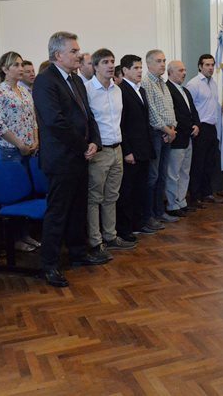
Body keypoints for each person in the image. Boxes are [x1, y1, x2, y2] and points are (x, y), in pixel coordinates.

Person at [32, 31, 104, 288]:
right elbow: (55, 122)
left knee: (78, 208)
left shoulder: (75, 80)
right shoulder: (45, 81)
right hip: (62, 158)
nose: (80, 54)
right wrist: (83, 145)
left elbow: (88, 115)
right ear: (57, 54)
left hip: (80, 155)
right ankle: (49, 264)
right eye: (74, 51)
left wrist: (94, 140)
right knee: (58, 212)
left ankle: (78, 253)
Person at [0, 51, 40, 252]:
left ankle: (25, 234)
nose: (20, 68)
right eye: (16, 65)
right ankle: (15, 239)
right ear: (4, 69)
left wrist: (35, 140)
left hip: (29, 148)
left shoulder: (25, 91)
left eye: (21, 64)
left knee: (28, 193)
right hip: (10, 150)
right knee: (14, 195)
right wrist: (19, 144)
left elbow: (33, 119)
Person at [84, 49, 133, 252]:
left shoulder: (117, 89)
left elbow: (120, 122)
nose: (111, 65)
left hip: (117, 148)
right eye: (105, 62)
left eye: (112, 61)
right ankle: (95, 241)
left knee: (112, 195)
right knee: (95, 197)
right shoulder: (87, 90)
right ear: (95, 66)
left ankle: (110, 236)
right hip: (100, 150)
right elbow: (86, 122)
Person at [116, 55, 155, 240]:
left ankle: (139, 223)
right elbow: (122, 125)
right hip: (131, 150)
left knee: (141, 188)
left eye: (141, 67)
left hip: (144, 148)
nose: (140, 71)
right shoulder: (121, 91)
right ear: (125, 71)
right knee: (128, 191)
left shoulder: (142, 91)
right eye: (136, 68)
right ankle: (126, 228)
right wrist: (127, 151)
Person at [142, 49, 179, 225]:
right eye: (158, 61)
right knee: (153, 176)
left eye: (164, 60)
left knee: (163, 176)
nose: (163, 64)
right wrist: (166, 130)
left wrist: (172, 128)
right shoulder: (146, 83)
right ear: (148, 64)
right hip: (156, 134)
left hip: (167, 133)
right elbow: (152, 113)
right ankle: (149, 215)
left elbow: (170, 109)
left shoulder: (163, 83)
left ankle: (159, 212)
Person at [185, 54, 221, 205]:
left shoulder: (213, 83)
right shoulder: (194, 84)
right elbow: (189, 108)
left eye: (212, 65)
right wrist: (195, 126)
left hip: (212, 128)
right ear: (200, 66)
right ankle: (195, 196)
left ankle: (207, 193)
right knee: (197, 164)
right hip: (200, 128)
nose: (211, 68)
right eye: (207, 65)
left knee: (209, 163)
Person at [165, 60, 200, 217]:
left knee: (185, 172)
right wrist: (186, 128)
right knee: (173, 173)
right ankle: (172, 205)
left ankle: (181, 201)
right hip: (177, 138)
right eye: (180, 70)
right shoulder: (167, 90)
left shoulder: (185, 91)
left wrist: (197, 125)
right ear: (170, 72)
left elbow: (193, 111)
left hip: (189, 138)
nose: (184, 73)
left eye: (185, 70)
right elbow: (173, 115)